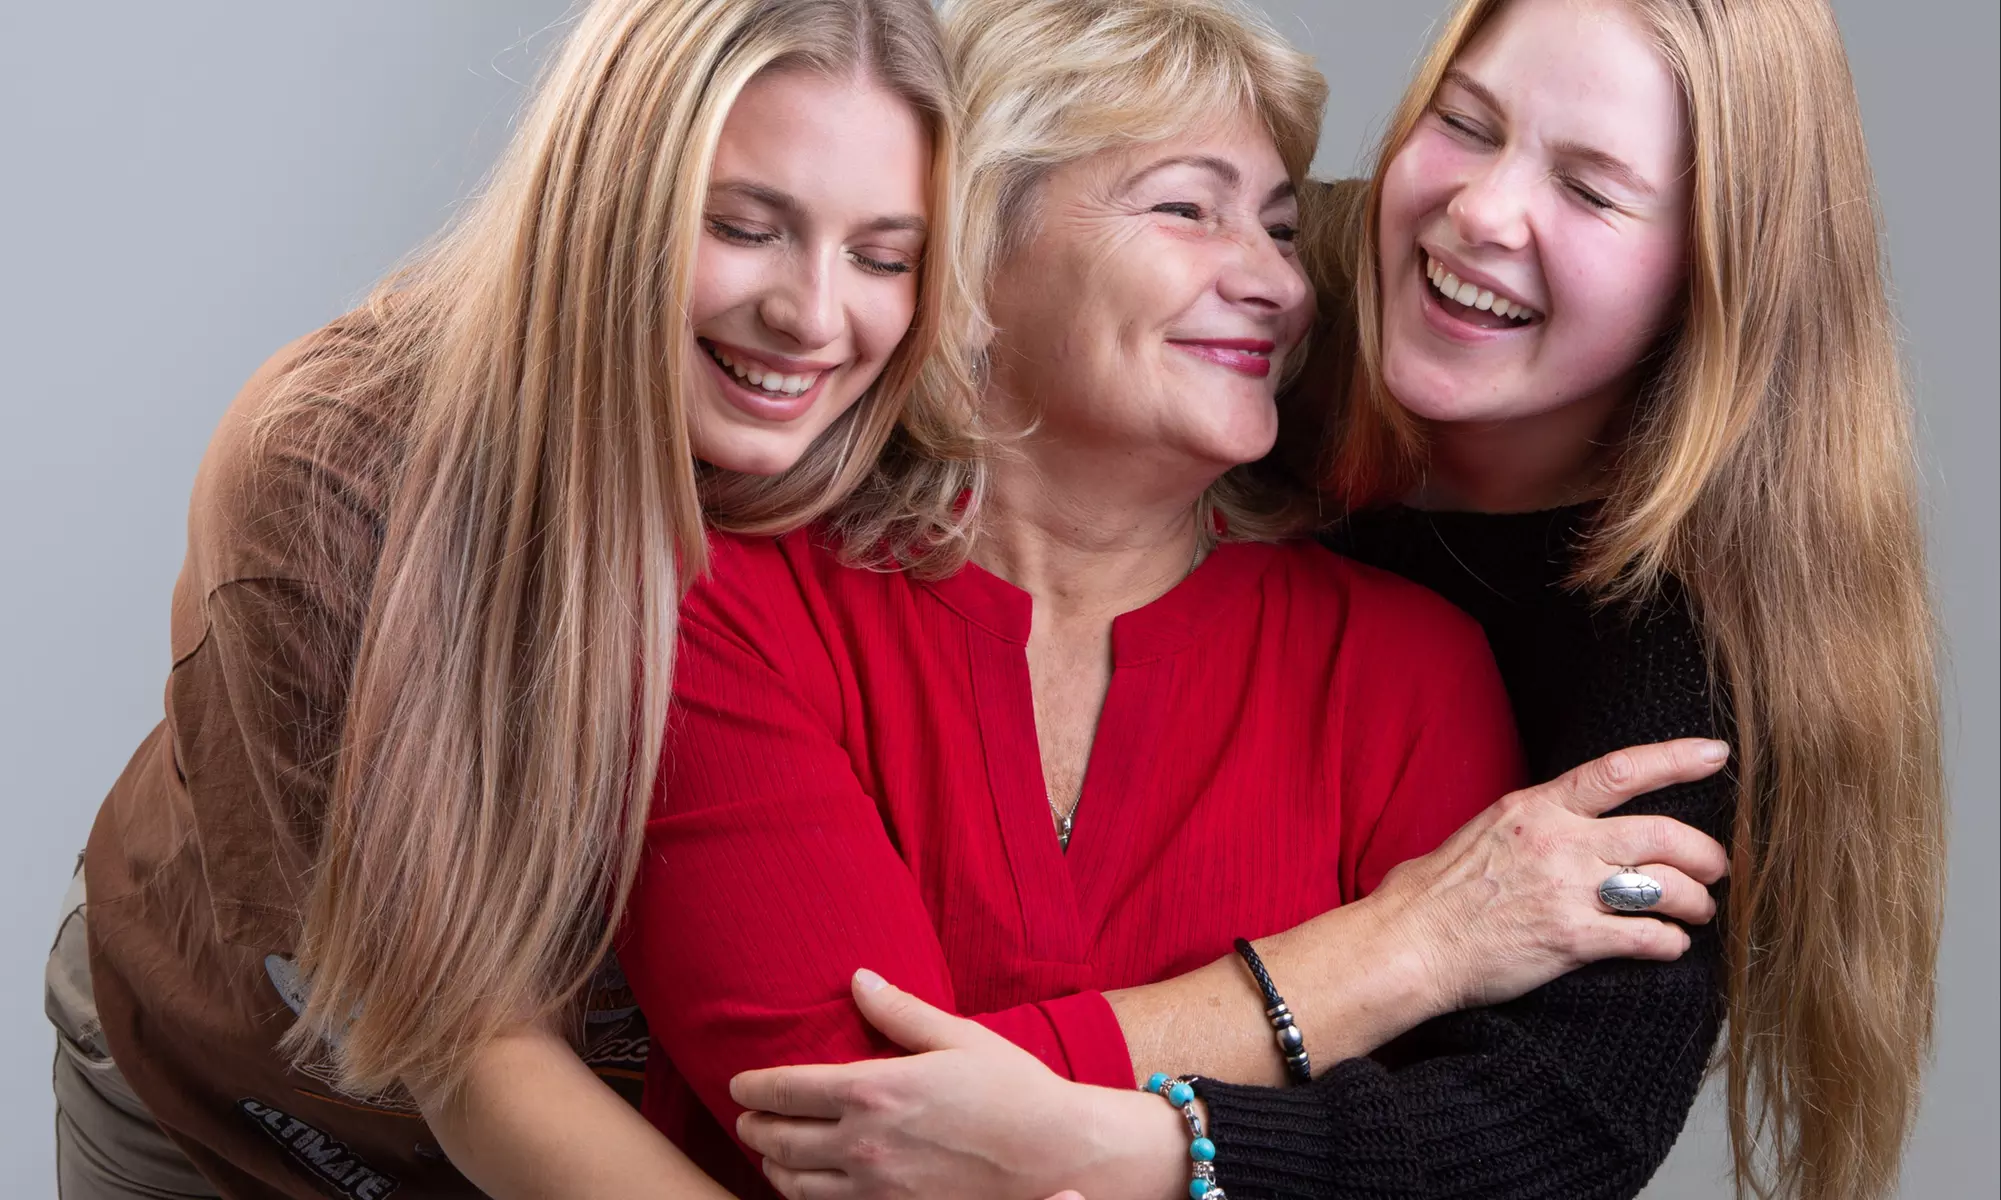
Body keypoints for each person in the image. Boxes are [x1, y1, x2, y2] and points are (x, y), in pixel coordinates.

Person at [729, 1, 1945, 1199]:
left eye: (1592, 190)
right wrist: (1401, 944)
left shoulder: (1661, 655)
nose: (1480, 211)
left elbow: (1553, 1115)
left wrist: (1141, 1150)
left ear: (1710, 275)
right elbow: (840, 1109)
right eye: (1463, 124)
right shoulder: (1285, 293)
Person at [50, 0, 982, 1196]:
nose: (811, 314)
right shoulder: (330, 468)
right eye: (746, 228)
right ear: (608, 197)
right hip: (232, 1103)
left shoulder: (893, 471)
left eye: (883, 256)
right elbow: (476, 1051)